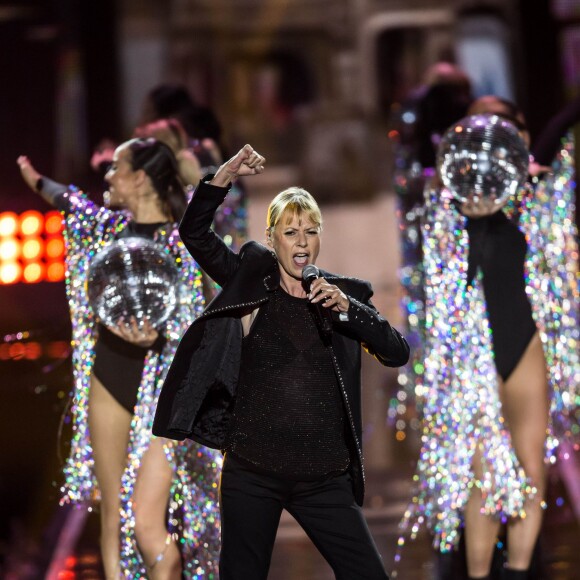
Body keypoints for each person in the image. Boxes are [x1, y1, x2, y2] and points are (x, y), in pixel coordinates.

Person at [153, 144, 410, 579]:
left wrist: (348, 308)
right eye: (291, 232)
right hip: (254, 473)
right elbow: (194, 234)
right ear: (272, 238)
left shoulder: (343, 296)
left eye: (310, 231)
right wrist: (223, 177)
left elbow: (396, 351)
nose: (302, 242)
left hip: (324, 478)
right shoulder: (250, 280)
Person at [17, 139, 221, 579]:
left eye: (115, 169)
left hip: (162, 392)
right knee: (112, 513)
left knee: (148, 524)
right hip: (109, 377)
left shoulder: (185, 238)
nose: (107, 177)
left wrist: (160, 335)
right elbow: (68, 200)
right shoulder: (106, 229)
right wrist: (34, 179)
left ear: (139, 179)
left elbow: (195, 323)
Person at [397, 105, 579, 580]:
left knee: (530, 474)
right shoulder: (443, 208)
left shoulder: (532, 196)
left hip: (524, 349)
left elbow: (558, 128)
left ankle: (517, 574)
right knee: (482, 480)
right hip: (472, 360)